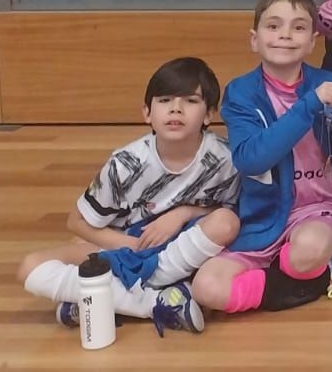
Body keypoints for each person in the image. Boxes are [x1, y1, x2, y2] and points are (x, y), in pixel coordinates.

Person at [190, 0, 332, 317]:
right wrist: (309, 104)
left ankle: (300, 269)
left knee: (307, 249)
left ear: (312, 42)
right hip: (264, 217)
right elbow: (251, 159)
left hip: (319, 209)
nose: (284, 34)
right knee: (206, 287)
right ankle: (323, 276)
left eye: (298, 27)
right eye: (273, 26)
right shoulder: (241, 92)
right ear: (254, 39)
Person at [17, 57, 239, 334]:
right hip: (128, 247)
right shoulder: (126, 163)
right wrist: (128, 244)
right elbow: (77, 222)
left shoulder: (224, 158)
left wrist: (182, 213)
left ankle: (94, 300)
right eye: (165, 100)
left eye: (191, 101)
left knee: (226, 222)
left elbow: (235, 211)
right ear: (147, 112)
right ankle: (158, 302)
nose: (176, 109)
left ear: (208, 114)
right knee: (31, 267)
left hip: (183, 250)